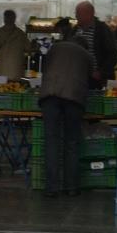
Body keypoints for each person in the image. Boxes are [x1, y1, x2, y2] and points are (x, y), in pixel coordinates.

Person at [39, 19, 92, 198]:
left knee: (51, 141)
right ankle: (72, 187)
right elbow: (91, 79)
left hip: (49, 96)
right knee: (72, 142)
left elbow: (45, 68)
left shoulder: (56, 47)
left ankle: (51, 188)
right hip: (73, 98)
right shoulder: (86, 55)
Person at [73, 1, 117, 90]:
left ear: (89, 14)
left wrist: (101, 72)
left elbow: (113, 54)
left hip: (96, 79)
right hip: (77, 78)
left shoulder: (102, 29)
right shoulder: (74, 30)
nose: (76, 16)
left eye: (78, 13)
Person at [0, 9, 28, 80]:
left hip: (1, 69)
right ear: (14, 19)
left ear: (4, 19)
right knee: (16, 86)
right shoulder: (20, 34)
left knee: (1, 86)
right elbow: (28, 48)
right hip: (17, 69)